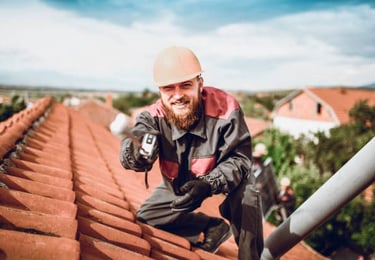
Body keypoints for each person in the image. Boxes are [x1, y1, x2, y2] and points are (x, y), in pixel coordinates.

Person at [119, 46, 263, 259]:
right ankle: (212, 227)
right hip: (179, 183)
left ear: (200, 84)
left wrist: (208, 184)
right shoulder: (151, 118)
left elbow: (240, 160)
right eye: (169, 88)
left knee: (247, 197)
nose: (178, 95)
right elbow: (136, 142)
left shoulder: (226, 109)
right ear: (160, 91)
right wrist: (137, 154)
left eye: (185, 85)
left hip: (225, 181)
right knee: (147, 217)